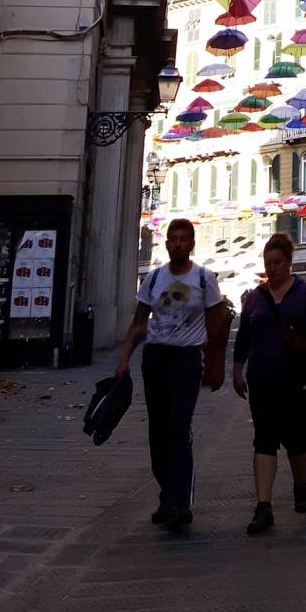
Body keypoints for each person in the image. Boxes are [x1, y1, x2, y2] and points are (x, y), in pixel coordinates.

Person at [115, 217, 226, 532]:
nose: (177, 243)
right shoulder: (152, 280)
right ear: (166, 244)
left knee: (179, 428)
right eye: (172, 239)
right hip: (156, 359)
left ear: (192, 243)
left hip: (186, 361)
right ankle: (167, 496)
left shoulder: (204, 280)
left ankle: (181, 503)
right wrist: (124, 357)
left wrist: (216, 365)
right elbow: (139, 323)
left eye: (183, 238)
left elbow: (217, 327)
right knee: (158, 433)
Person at [232, 232, 306, 535]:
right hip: (261, 379)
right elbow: (244, 336)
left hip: (298, 378)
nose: (272, 268)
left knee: (296, 438)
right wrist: (237, 370)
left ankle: (300, 485)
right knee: (264, 439)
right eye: (267, 263)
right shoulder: (255, 299)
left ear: (289, 262)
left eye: (277, 263)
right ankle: (264, 508)